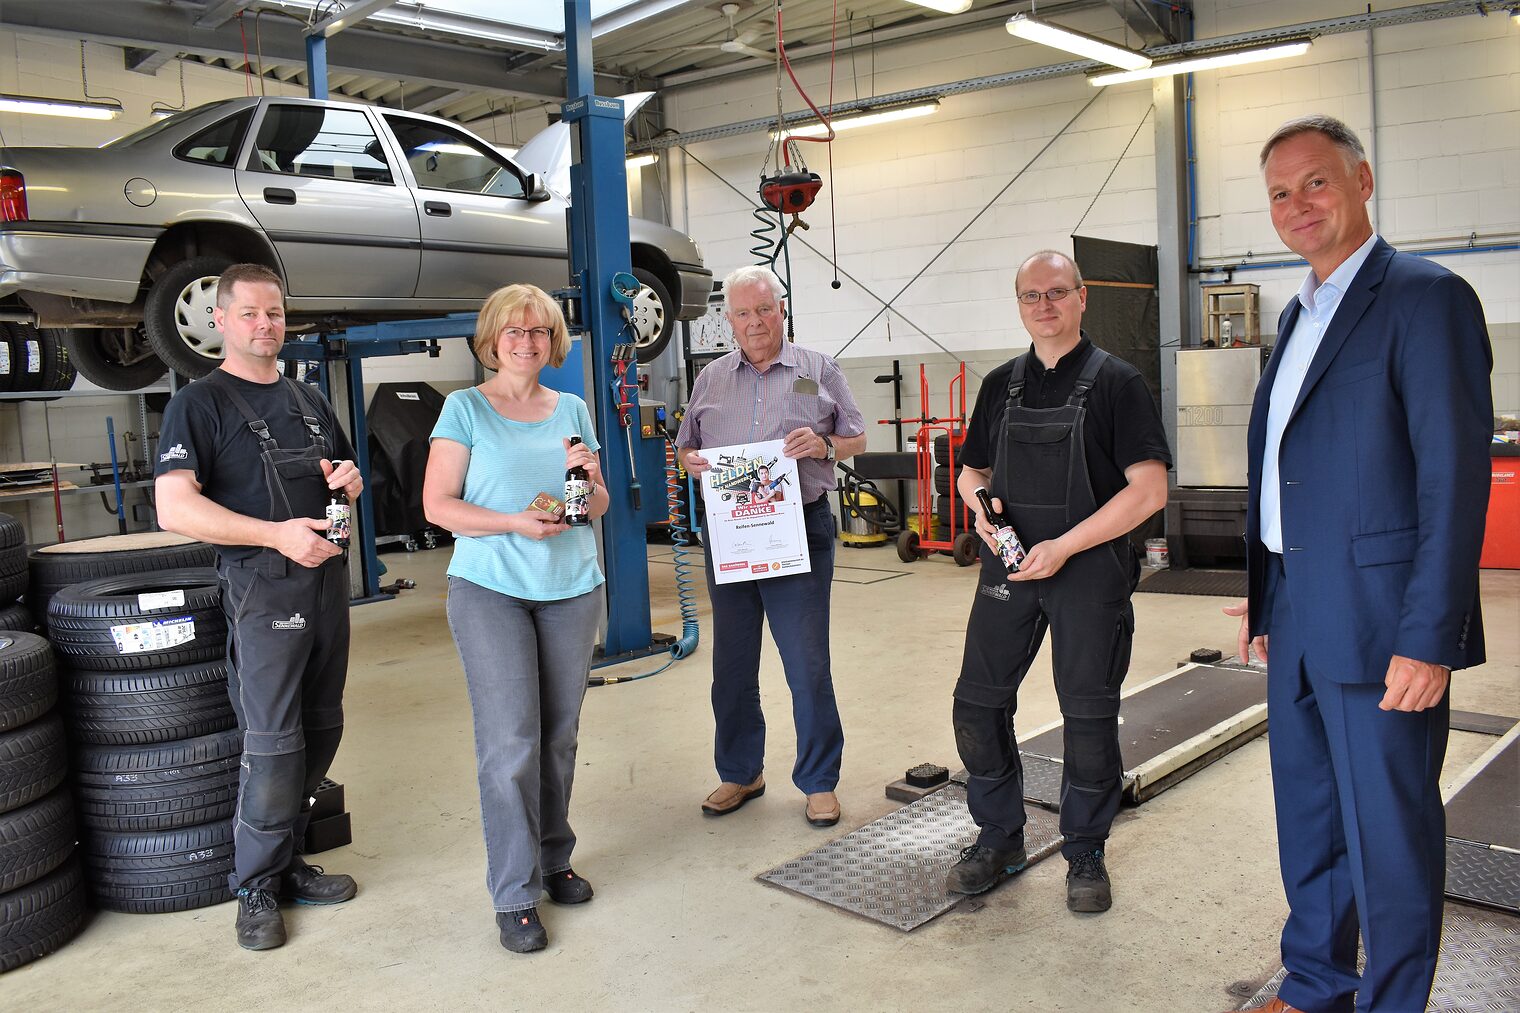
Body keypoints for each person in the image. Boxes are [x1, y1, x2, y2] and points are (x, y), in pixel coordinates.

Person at [1221, 115, 1492, 1013]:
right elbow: (1292, 467)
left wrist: (1431, 637)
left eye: (1316, 182)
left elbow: (1453, 482)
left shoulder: (1424, 297)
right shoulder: (1298, 314)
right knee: (1307, 809)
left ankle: (1393, 1000)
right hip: (1298, 605)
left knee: (1389, 829)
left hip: (1383, 620)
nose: (1297, 205)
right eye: (1279, 193)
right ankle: (1317, 981)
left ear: (1362, 181)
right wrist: (1267, 595)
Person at [946, 250, 1170, 913]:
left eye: (1056, 292)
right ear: (1019, 305)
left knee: (1088, 714)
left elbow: (1150, 489)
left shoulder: (1118, 383)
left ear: (1081, 298)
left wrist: (1063, 546)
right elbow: (970, 471)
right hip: (1010, 566)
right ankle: (999, 836)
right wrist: (983, 514)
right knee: (977, 702)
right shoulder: (1001, 385)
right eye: (1030, 295)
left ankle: (1085, 851)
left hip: (1088, 570)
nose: (1043, 305)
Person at [154, 263, 364, 951]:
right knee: (273, 745)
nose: (265, 325)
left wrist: (349, 478)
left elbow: (339, 469)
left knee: (322, 727)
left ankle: (289, 859)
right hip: (262, 586)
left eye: (274, 313)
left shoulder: (306, 398)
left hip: (325, 583)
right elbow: (173, 505)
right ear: (221, 319)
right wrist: (275, 534)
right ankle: (254, 887)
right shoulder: (199, 403)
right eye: (249, 314)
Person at [422, 283, 609, 955]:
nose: (526, 341)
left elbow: (596, 503)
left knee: (557, 737)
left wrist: (587, 477)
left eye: (537, 331)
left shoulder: (574, 408)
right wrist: (510, 522)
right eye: (513, 331)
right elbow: (437, 505)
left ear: (553, 340)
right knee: (510, 743)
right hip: (491, 586)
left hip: (570, 584)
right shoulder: (465, 407)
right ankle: (515, 891)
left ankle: (554, 857)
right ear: (492, 339)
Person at [676, 265, 866, 828]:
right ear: (728, 318)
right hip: (731, 534)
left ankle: (818, 780)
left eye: (763, 309)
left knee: (806, 662)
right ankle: (740, 771)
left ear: (780, 310)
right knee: (732, 664)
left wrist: (825, 443)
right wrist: (690, 462)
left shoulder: (815, 371)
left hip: (799, 531)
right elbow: (688, 446)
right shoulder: (711, 379)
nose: (754, 322)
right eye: (742, 312)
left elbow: (856, 436)